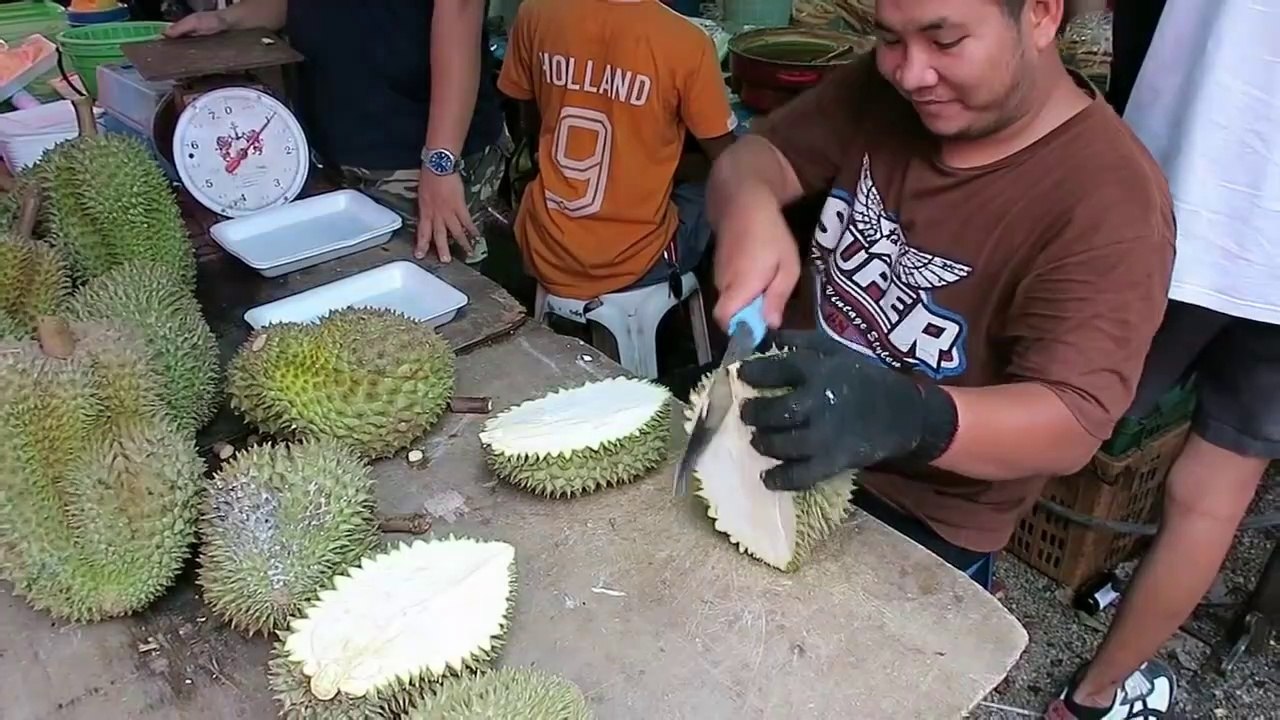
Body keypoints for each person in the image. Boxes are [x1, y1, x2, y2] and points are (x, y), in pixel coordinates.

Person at [704, 0, 1174, 707]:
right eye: (889, 38)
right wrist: (750, 207)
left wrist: (909, 415)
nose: (911, 71)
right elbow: (760, 156)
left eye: (945, 40)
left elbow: (1073, 420)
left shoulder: (1110, 206)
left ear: (1042, 14)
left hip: (922, 521)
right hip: (777, 435)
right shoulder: (886, 85)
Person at [1046, 1, 1280, 717]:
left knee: (1053, 409)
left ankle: (949, 576)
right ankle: (1090, 700)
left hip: (1178, 178)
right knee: (1214, 495)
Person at [164, 0, 511, 265]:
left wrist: (440, 162)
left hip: (415, 156)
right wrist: (226, 19)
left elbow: (460, 12)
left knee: (428, 297)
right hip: (330, 145)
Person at [494, 0, 737, 301]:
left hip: (546, 246)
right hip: (634, 260)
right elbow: (727, 160)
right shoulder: (687, 42)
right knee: (723, 186)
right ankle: (718, 329)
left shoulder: (537, 11)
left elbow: (530, 120)